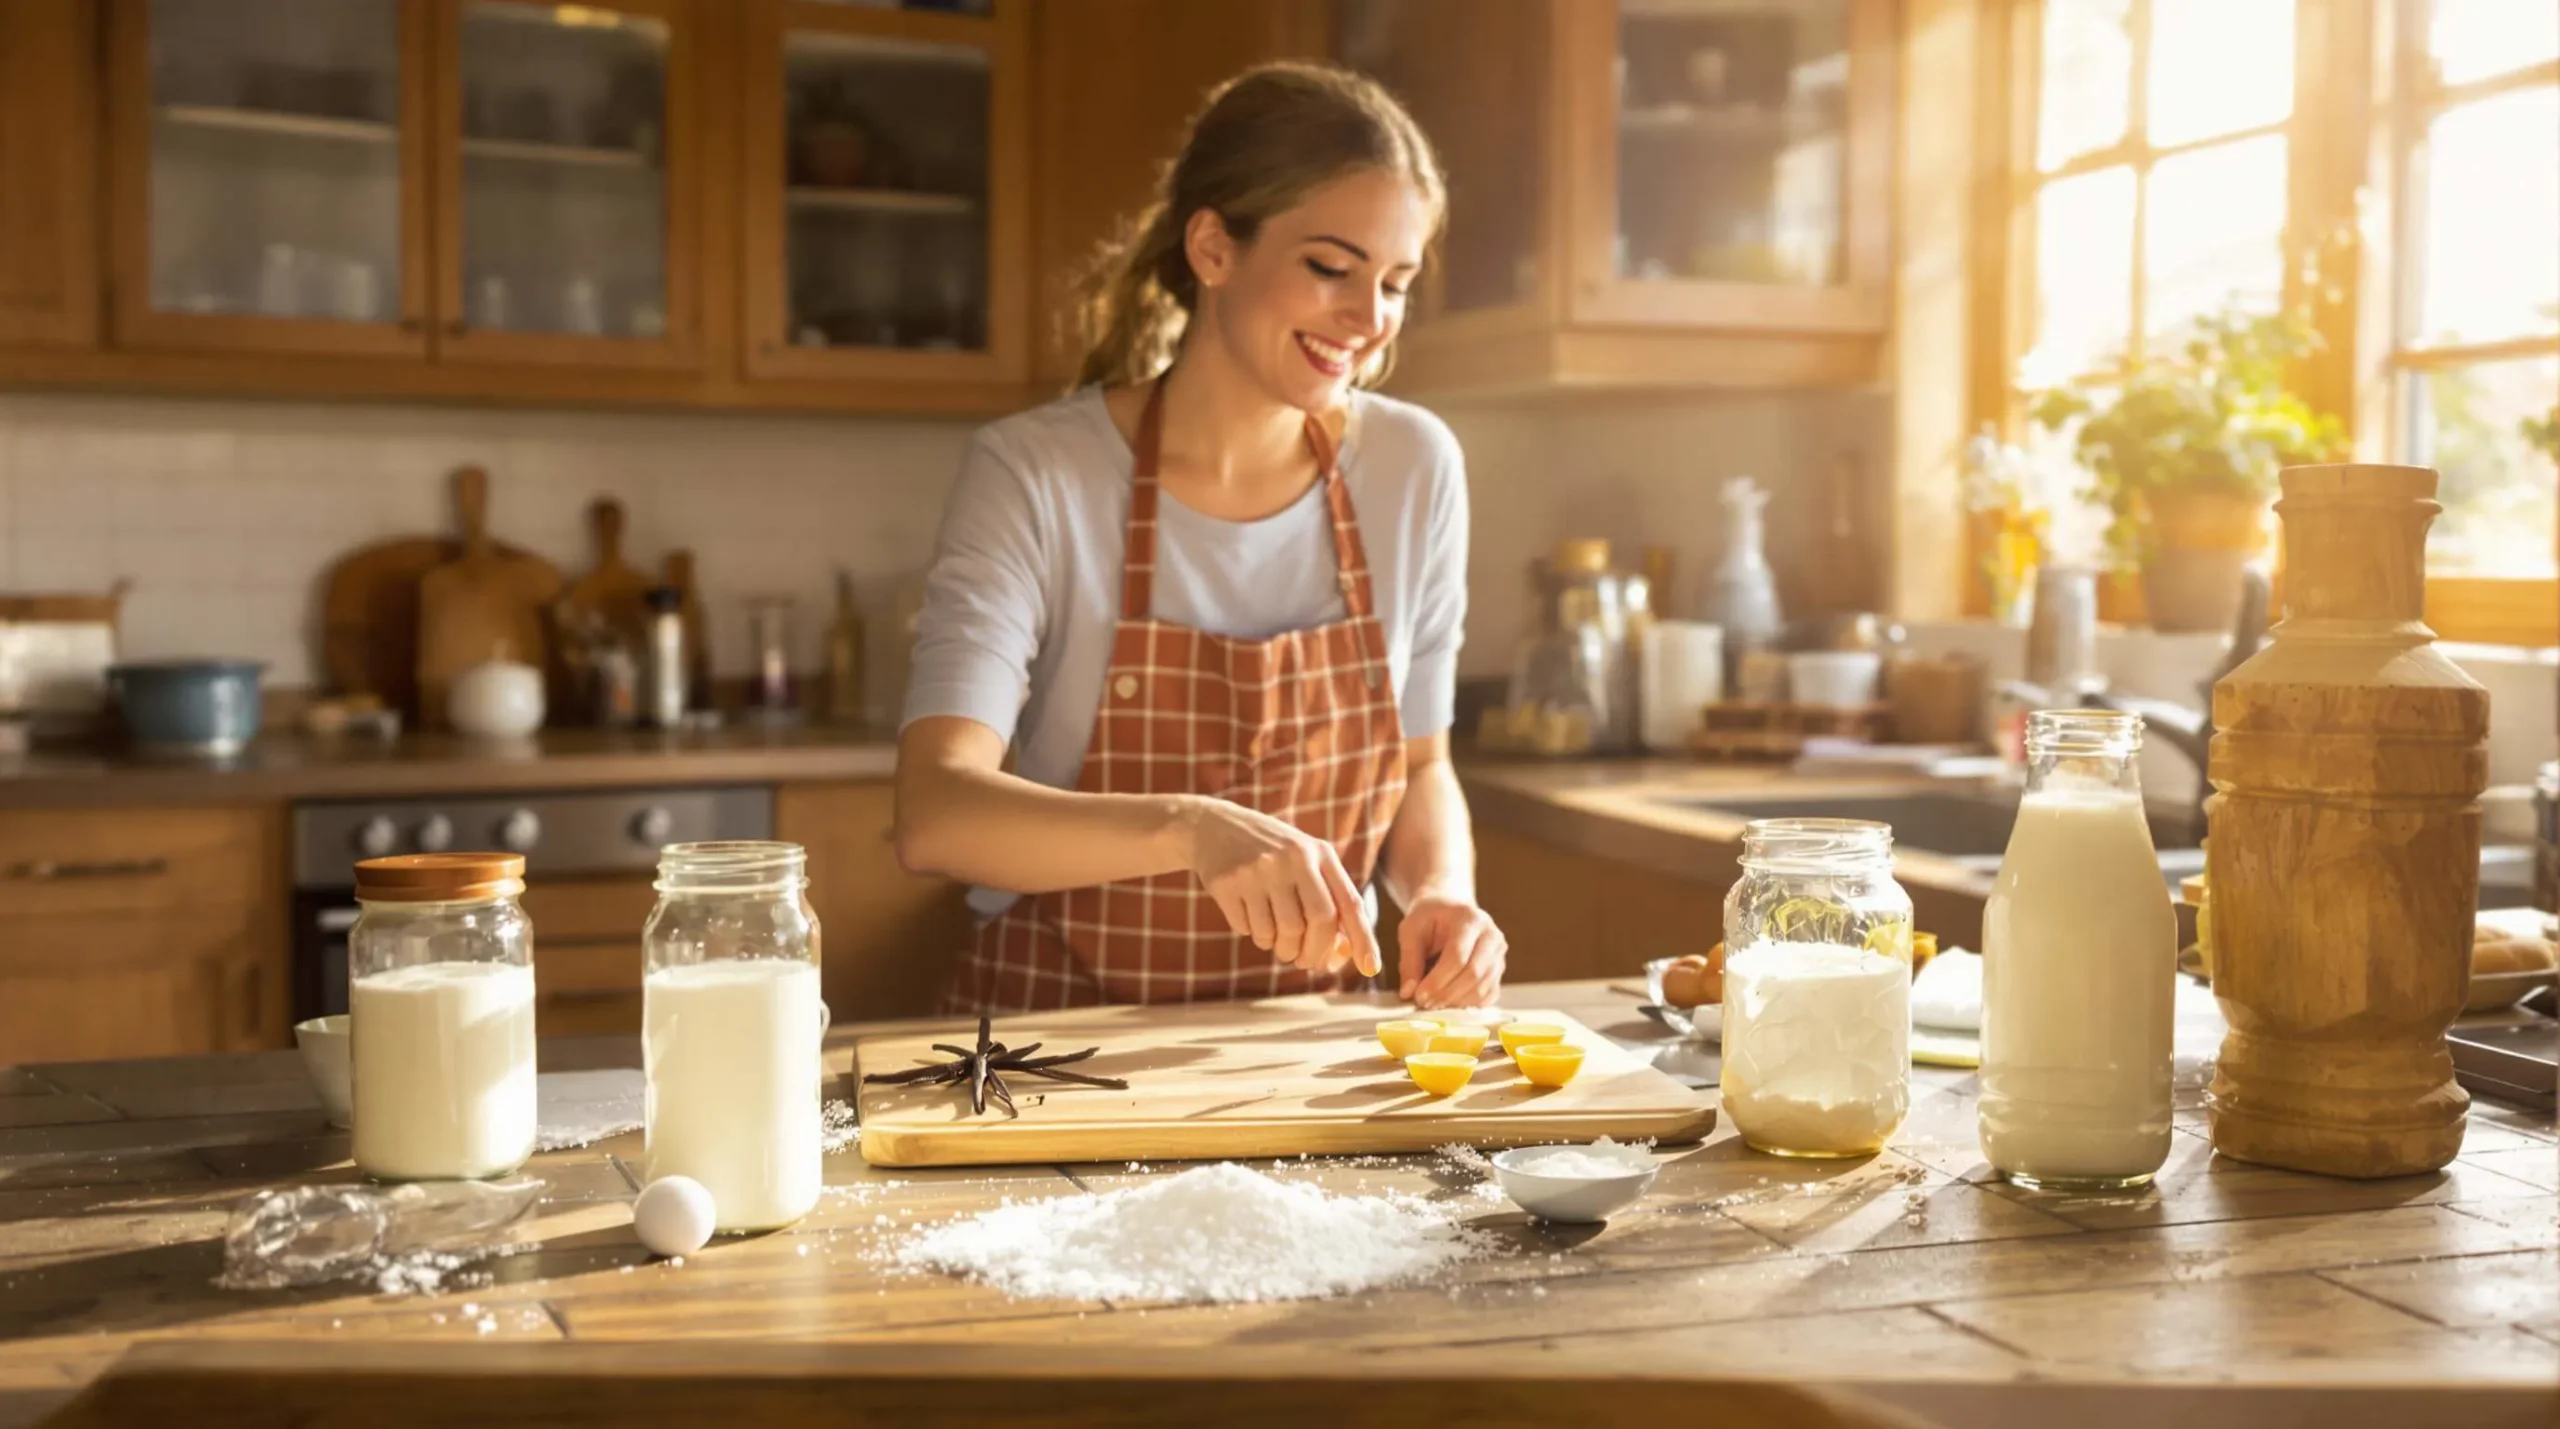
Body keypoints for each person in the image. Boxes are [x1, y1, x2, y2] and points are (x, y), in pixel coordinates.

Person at [893, 62, 1506, 1015]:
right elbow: (935, 812)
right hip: (1056, 1030)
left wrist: (1440, 893)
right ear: (1214, 247)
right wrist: (1191, 829)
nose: (1369, 319)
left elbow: (1423, 765)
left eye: (1396, 282)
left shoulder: (1414, 468)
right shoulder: (1036, 474)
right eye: (1330, 268)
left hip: (1304, 1041)